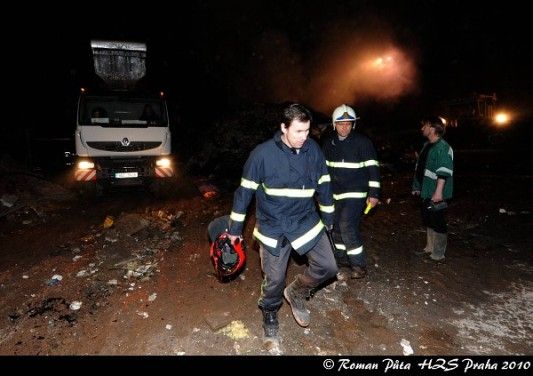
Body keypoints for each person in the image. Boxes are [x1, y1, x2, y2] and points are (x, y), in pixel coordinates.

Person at [227, 103, 337, 341]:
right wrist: (235, 229)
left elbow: (325, 184)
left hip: (305, 219)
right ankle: (269, 312)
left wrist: (328, 217)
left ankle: (297, 291)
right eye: (298, 131)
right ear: (283, 128)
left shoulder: (314, 151)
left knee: (329, 267)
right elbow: (244, 192)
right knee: (274, 279)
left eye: (307, 131)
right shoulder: (262, 154)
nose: (304, 137)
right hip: (273, 225)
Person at [322, 104, 380, 279]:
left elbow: (373, 168)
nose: (344, 127)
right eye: (341, 124)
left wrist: (374, 193)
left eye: (348, 123)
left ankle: (359, 265)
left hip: (355, 192)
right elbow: (323, 171)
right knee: (336, 228)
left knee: (347, 225)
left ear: (353, 124)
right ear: (334, 124)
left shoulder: (363, 142)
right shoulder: (328, 143)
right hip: (335, 193)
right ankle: (341, 261)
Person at [412, 116, 453, 261]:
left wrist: (438, 192)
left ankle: (438, 254)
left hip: (436, 192)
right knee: (428, 219)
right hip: (426, 190)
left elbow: (444, 171)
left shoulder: (443, 147)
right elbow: (421, 168)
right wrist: (417, 186)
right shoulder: (426, 146)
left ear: (432, 128)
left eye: (425, 126)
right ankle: (429, 248)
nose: (422, 128)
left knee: (438, 221)